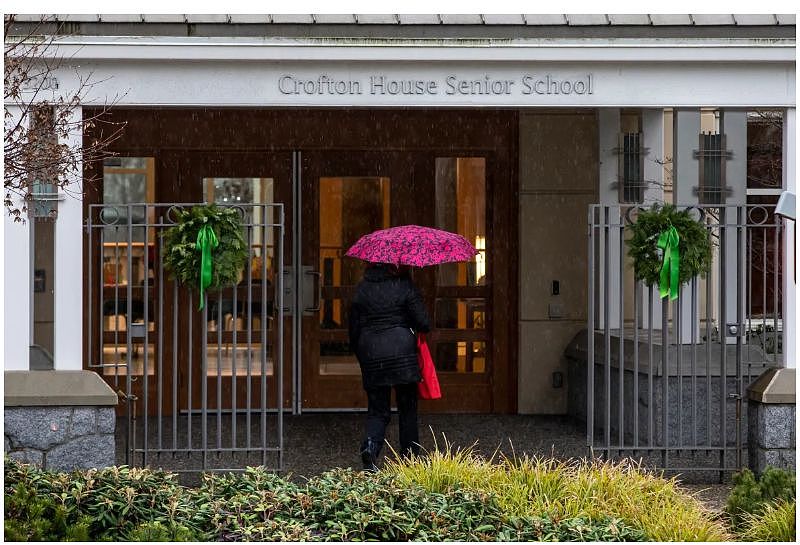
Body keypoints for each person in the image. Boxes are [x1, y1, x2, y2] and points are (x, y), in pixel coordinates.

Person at [348, 262, 431, 471]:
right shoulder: (404, 285)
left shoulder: (362, 289)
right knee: (407, 409)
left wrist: (362, 354)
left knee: (378, 410)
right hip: (402, 353)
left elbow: (354, 329)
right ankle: (410, 461)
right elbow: (424, 323)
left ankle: (370, 446)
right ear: (394, 266)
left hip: (372, 353)